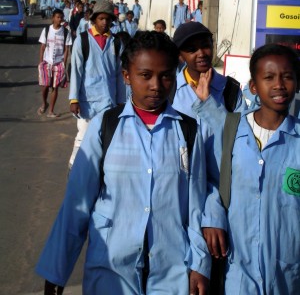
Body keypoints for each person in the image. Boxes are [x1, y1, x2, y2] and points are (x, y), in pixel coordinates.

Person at [35, 30, 211, 294]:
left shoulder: (189, 131)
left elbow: (197, 206)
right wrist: (56, 271)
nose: (156, 85)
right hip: (111, 270)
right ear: (127, 76)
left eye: (165, 75)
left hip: (172, 271)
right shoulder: (105, 127)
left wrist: (200, 265)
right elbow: (76, 204)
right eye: (145, 75)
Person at [202, 43, 300, 294]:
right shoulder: (233, 130)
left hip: (287, 274)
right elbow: (214, 179)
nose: (279, 84)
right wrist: (213, 218)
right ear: (254, 86)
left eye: (287, 77)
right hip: (238, 269)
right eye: (268, 77)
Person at [67, 0, 126, 169]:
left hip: (109, 100)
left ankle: (98, 173)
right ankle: (73, 167)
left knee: (106, 140)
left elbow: (119, 74)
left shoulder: (116, 42)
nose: (104, 22)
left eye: (108, 19)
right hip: (87, 101)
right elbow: (76, 71)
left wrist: (121, 100)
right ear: (94, 19)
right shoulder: (82, 40)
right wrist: (74, 99)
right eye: (101, 18)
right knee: (83, 136)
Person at [172, 22, 244, 120]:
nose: (201, 53)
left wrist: (209, 103)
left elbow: (242, 131)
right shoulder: (171, 90)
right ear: (180, 56)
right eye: (192, 50)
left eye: (205, 46)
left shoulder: (230, 89)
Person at [37, 9, 72, 118]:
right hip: (47, 62)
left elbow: (66, 49)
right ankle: (44, 103)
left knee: (55, 87)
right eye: (57, 17)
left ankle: (51, 111)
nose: (59, 19)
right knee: (45, 86)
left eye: (61, 17)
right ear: (53, 17)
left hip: (58, 63)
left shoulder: (66, 32)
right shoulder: (47, 30)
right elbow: (42, 47)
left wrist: (64, 64)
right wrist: (40, 62)